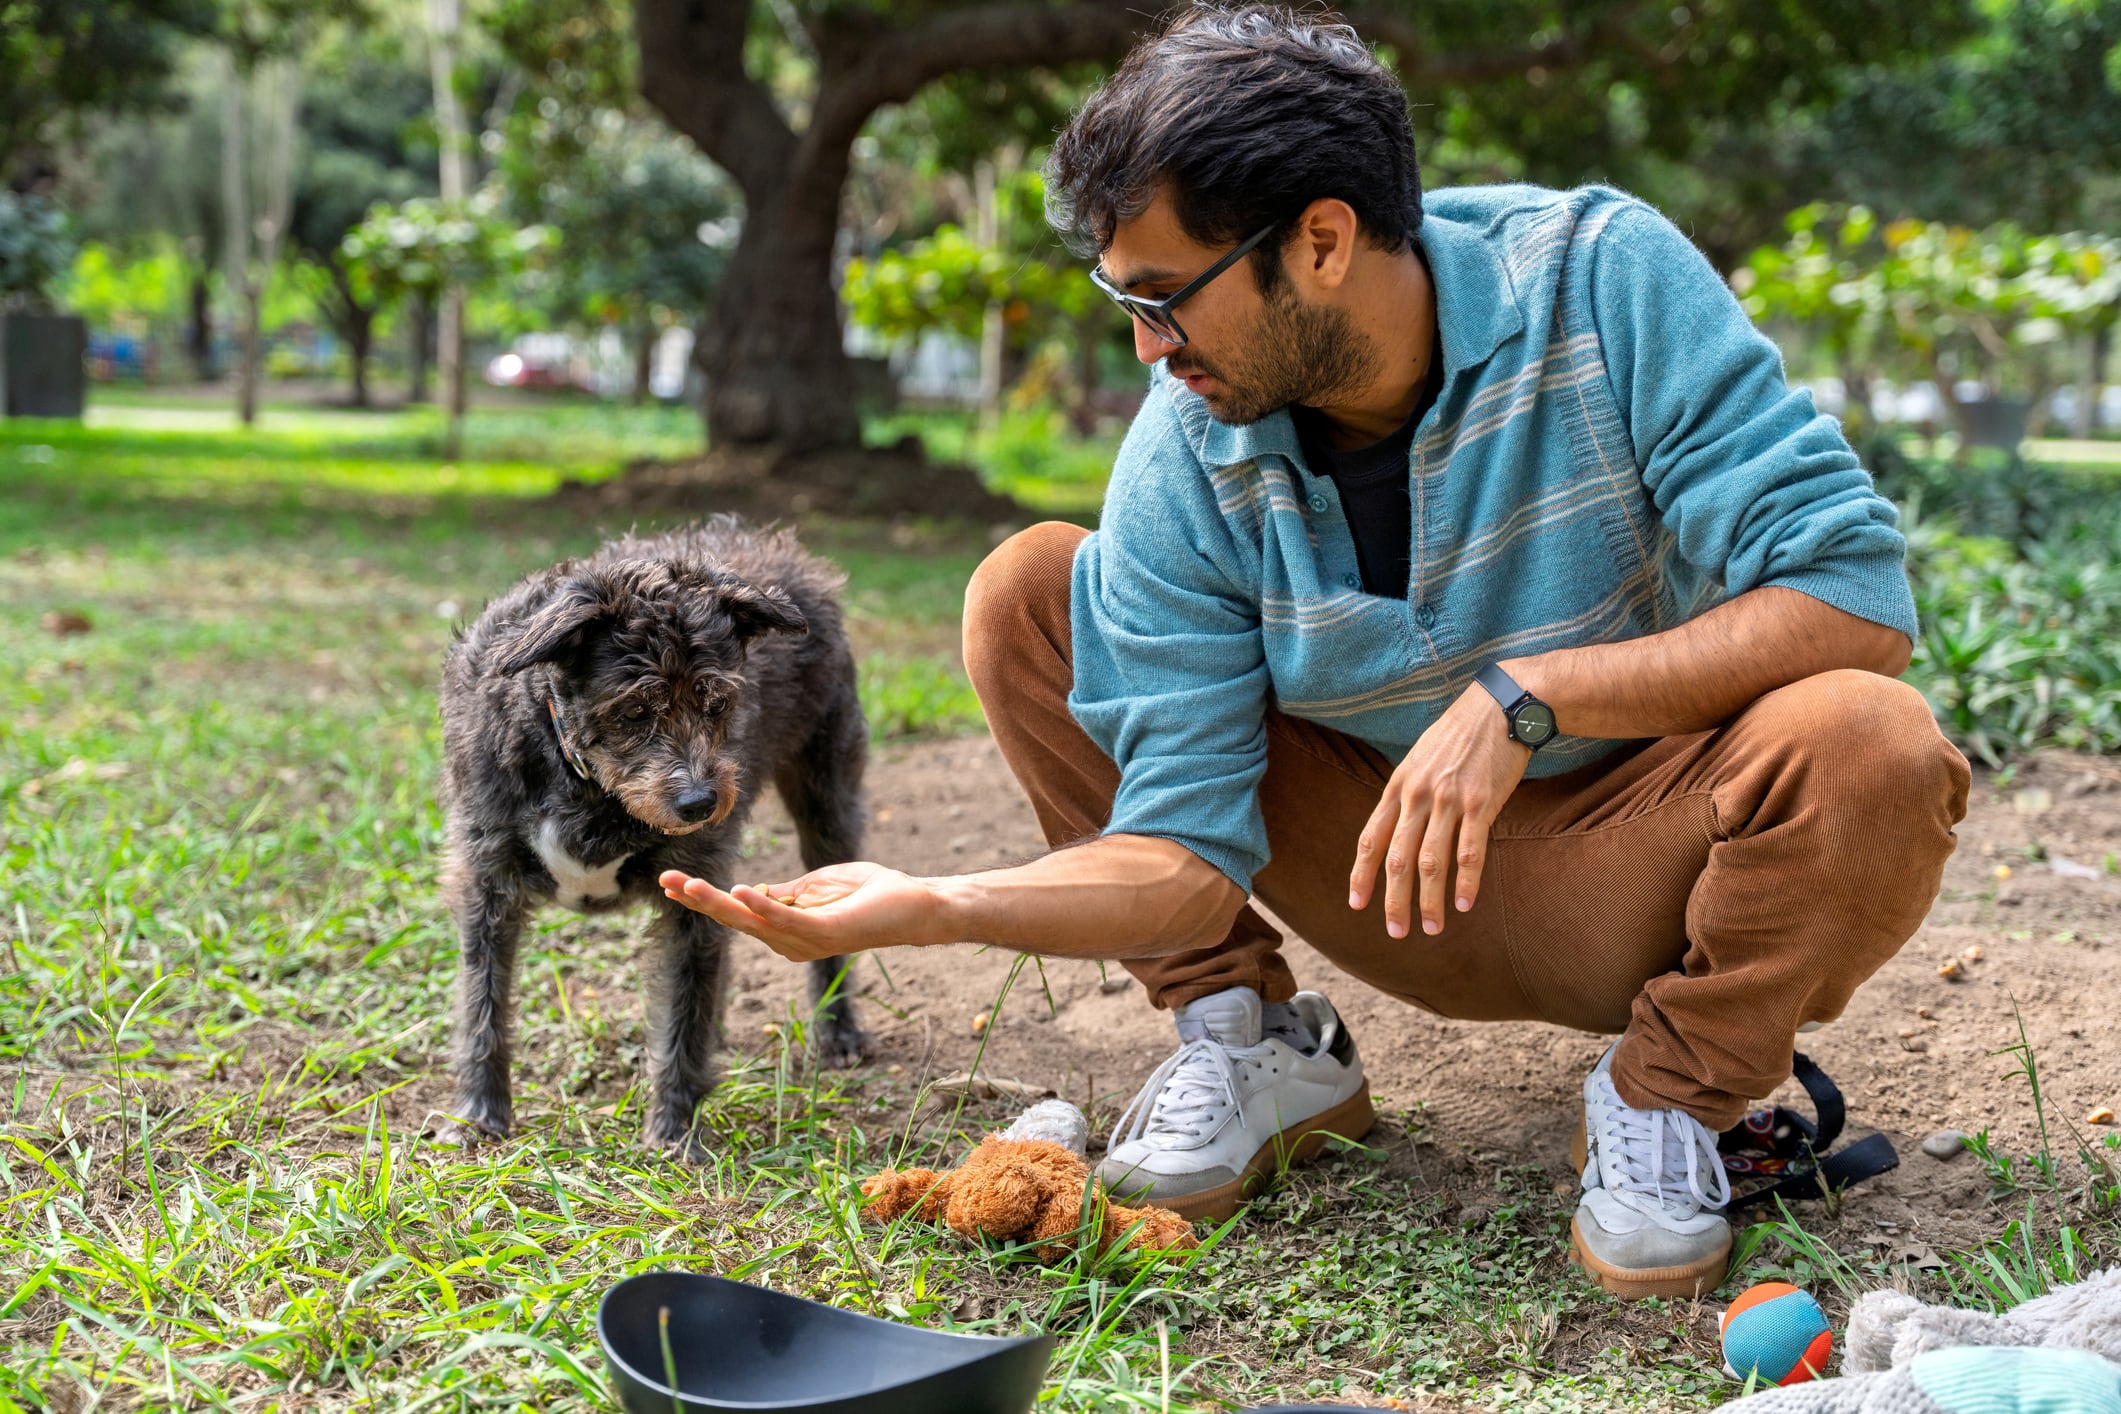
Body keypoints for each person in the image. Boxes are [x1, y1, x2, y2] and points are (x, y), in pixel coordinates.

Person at [661, 3, 1971, 1301]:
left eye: (1166, 297)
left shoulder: (1596, 277)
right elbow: (1177, 858)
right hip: (1380, 870)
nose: (1145, 348)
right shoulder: (1187, 450)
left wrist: (1530, 695)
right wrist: (941, 904)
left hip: (1639, 864)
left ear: (1323, 240)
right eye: (1124, 300)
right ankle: (1253, 1043)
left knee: (1869, 735)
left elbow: (1849, 594)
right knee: (1031, 589)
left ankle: (1664, 1096)